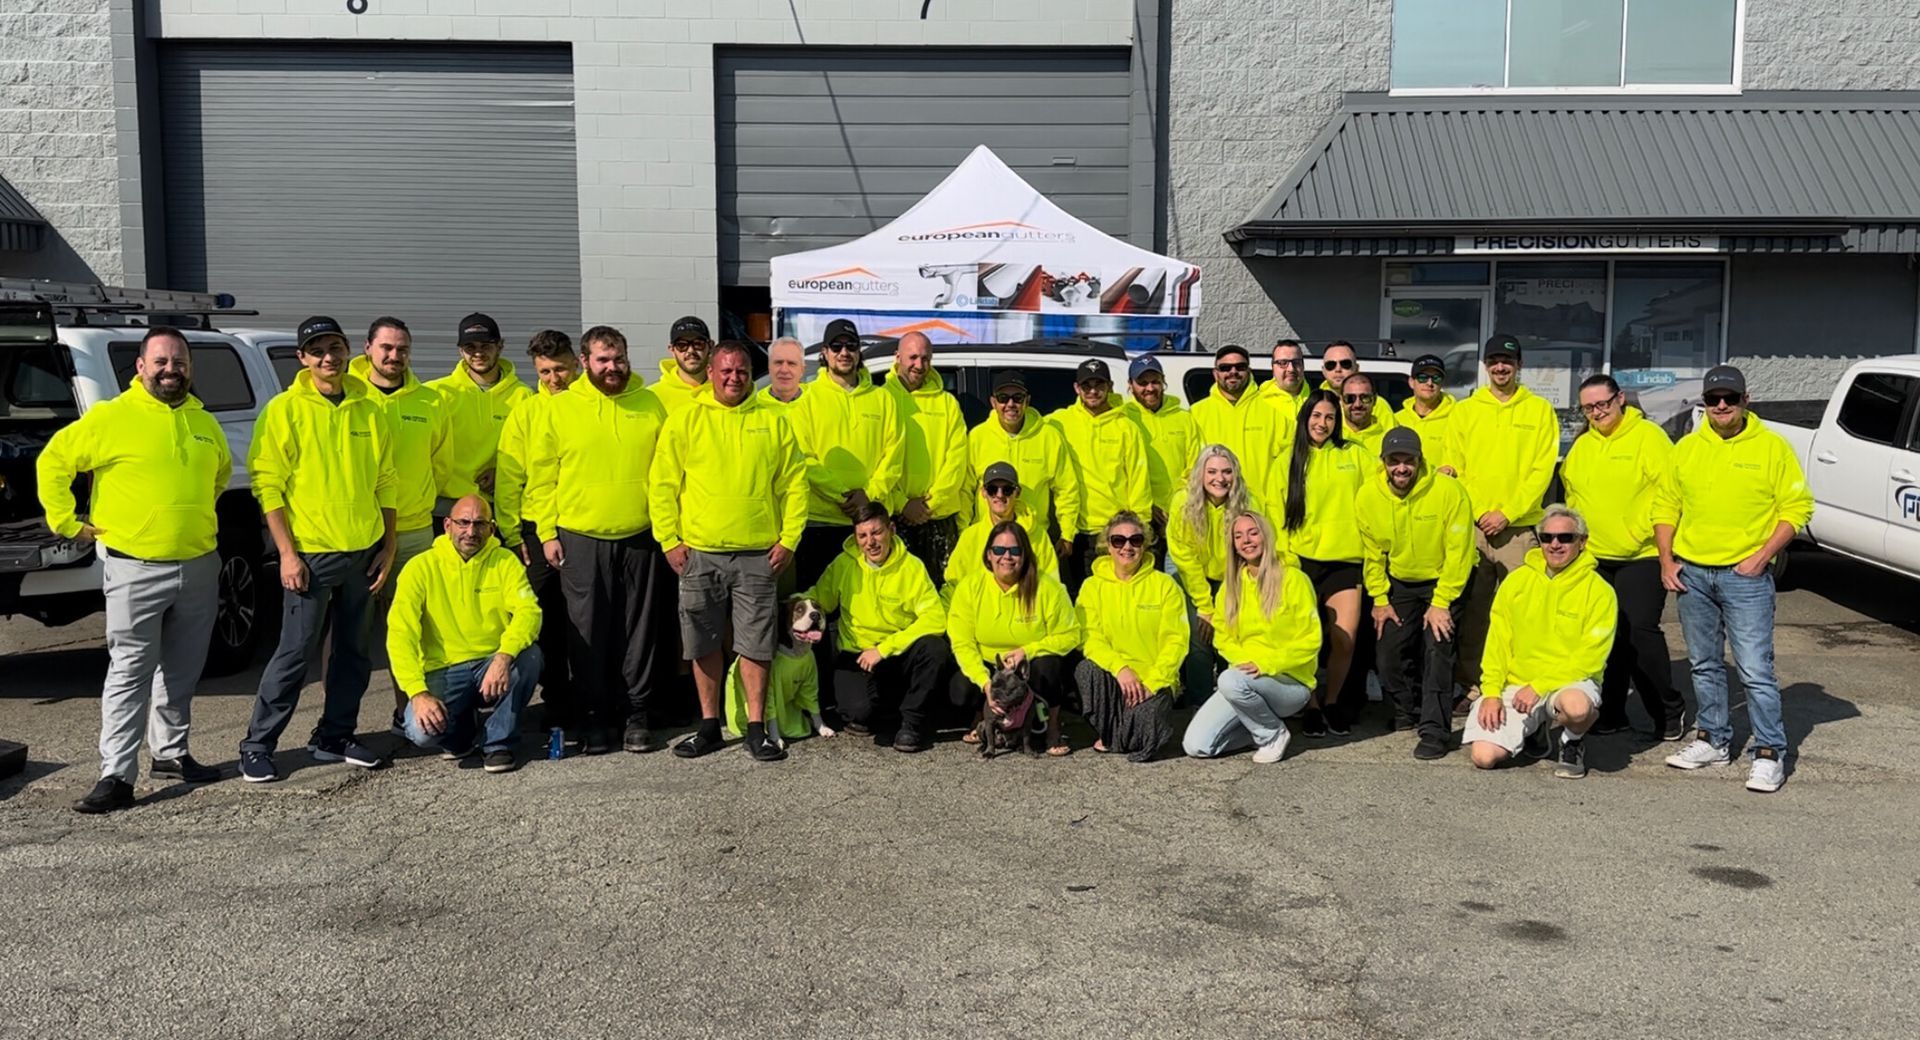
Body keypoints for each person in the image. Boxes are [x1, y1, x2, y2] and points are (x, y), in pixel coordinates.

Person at [38, 327, 232, 812]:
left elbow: (219, 476)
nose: (171, 370)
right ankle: (116, 775)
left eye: (179, 362)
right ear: (141, 366)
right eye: (161, 361)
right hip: (135, 569)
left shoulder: (203, 420)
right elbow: (54, 460)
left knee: (182, 670)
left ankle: (171, 753)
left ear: (189, 367)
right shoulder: (112, 418)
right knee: (129, 672)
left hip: (198, 564)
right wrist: (66, 521)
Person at [239, 316, 398, 783]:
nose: (329, 357)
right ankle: (257, 745)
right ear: (303, 358)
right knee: (294, 654)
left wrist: (388, 544)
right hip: (311, 555)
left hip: (363, 551)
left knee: (354, 654)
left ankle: (334, 736)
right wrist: (287, 554)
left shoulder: (369, 409)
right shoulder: (285, 410)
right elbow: (267, 485)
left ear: (350, 351)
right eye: (317, 350)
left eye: (336, 347)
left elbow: (386, 481)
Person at [1654, 365, 1813, 793]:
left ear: (1746, 400)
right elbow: (1666, 506)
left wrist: (1761, 557)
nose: (1721, 406)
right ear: (1704, 405)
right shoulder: (1687, 449)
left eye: (1729, 398)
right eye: (1713, 399)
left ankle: (1769, 752)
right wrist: (1666, 561)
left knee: (1755, 670)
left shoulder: (1772, 447)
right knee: (1704, 665)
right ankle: (1713, 739)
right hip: (1693, 573)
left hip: (1745, 577)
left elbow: (1797, 508)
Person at [650, 339, 809, 762]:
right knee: (702, 642)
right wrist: (669, 540)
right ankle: (709, 726)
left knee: (756, 644)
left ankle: (756, 728)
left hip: (758, 555)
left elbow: (795, 485)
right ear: (711, 372)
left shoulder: (774, 421)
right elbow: (662, 485)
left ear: (750, 374)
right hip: (699, 552)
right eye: (726, 371)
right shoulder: (686, 420)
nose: (734, 378)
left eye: (741, 371)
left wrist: (789, 539)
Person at [528, 325, 668, 756]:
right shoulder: (559, 409)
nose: (612, 367)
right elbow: (542, 477)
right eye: (603, 360)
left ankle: (637, 714)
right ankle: (595, 717)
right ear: (584, 362)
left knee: (638, 631)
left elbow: (668, 472)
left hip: (641, 535)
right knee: (587, 633)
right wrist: (546, 533)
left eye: (618, 358)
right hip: (579, 536)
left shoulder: (650, 404)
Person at [1561, 374, 1686, 741]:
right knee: (1605, 636)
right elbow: (1572, 498)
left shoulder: (1649, 437)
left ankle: (1668, 710)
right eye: (1588, 407)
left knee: (1638, 633)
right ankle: (1612, 712)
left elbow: (1671, 495)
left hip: (1640, 554)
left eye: (1602, 403)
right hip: (1595, 556)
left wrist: (1666, 553)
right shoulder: (1583, 446)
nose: (1597, 412)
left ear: (1620, 399)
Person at [347, 317, 453, 733]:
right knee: (348, 633)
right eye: (386, 348)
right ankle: (339, 725)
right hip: (356, 532)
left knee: (412, 629)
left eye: (402, 349)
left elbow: (441, 464)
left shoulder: (430, 402)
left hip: (412, 532)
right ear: (367, 348)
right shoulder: (349, 397)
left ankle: (408, 715)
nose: (394, 356)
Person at [388, 495, 543, 774]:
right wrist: (418, 692)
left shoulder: (505, 562)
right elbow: (400, 634)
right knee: (420, 732)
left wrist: (503, 656)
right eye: (463, 522)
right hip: (444, 669)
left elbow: (529, 612)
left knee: (531, 657)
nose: (471, 531)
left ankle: (499, 742)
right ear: (447, 525)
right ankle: (461, 735)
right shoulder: (419, 568)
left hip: (491, 664)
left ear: (491, 529)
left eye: (479, 524)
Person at [1442, 333, 1559, 699]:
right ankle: (1471, 683)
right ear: (1486, 365)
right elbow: (1455, 467)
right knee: (1474, 612)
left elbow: (1541, 472)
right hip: (1475, 529)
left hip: (1518, 530)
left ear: (1519, 365)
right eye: (1493, 361)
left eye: (1507, 361)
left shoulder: (1539, 410)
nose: (1500, 367)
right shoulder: (1465, 410)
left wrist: (1507, 513)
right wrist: (1481, 513)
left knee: (1521, 610)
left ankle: (1518, 681)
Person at [1463, 505, 1614, 779]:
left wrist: (1539, 686)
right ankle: (1536, 730)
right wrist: (1492, 692)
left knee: (1577, 709)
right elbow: (1497, 642)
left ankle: (1572, 741)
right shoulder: (1516, 581)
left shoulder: (1600, 591)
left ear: (1582, 542)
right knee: (1484, 757)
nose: (1555, 544)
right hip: (1517, 683)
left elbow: (1590, 658)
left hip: (1569, 681)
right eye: (1547, 537)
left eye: (1565, 538)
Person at [1355, 427, 1474, 760]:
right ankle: (1409, 709)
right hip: (1401, 581)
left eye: (1408, 460)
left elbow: (1460, 553)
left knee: (1437, 649)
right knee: (1387, 652)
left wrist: (1441, 601)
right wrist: (1379, 599)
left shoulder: (1449, 491)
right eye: (1394, 460)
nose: (1401, 468)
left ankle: (1435, 731)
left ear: (1420, 460)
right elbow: (1372, 554)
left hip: (1445, 579)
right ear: (1383, 462)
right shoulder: (1367, 496)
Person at [805, 504, 953, 752]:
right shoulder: (844, 564)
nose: (870, 542)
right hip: (858, 655)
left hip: (896, 652)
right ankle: (892, 707)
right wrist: (792, 605)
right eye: (862, 536)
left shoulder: (912, 567)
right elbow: (820, 599)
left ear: (891, 530)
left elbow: (936, 618)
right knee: (858, 713)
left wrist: (884, 649)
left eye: (876, 533)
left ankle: (911, 724)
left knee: (934, 648)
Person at [492, 330, 578, 740]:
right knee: (546, 619)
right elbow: (509, 476)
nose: (554, 378)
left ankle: (594, 696)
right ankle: (557, 701)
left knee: (588, 618)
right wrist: (512, 535)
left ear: (576, 363)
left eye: (560, 369)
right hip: (534, 527)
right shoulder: (525, 412)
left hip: (582, 524)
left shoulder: (590, 404)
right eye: (545, 372)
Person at [1273, 388, 1374, 737]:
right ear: (1305, 418)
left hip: (1345, 560)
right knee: (1308, 639)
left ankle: (1332, 702)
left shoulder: (1355, 455)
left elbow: (1379, 492)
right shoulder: (1287, 459)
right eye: (1316, 415)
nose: (1322, 423)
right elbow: (1274, 512)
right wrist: (1285, 560)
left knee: (1344, 638)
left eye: (1330, 417)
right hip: (1301, 561)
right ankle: (1310, 705)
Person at [1182, 511, 1321, 762]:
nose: (1246, 540)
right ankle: (1257, 730)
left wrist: (1265, 664)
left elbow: (1311, 639)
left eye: (1253, 533)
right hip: (1244, 679)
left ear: (1266, 536)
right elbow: (1222, 636)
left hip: (1290, 682)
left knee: (1229, 680)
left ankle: (1272, 734)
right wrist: (1245, 662)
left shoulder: (1294, 580)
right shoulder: (1231, 586)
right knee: (1196, 745)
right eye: (1238, 536)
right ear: (1233, 545)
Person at [788, 318, 906, 591]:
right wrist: (842, 495)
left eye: (851, 346)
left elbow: (894, 455)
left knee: (869, 604)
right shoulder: (805, 400)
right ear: (825, 353)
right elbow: (802, 458)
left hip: (871, 524)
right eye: (836, 346)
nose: (844, 352)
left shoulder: (883, 399)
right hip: (821, 522)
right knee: (815, 605)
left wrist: (869, 496)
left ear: (858, 352)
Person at [947, 521, 1081, 756]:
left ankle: (1051, 726)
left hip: (1028, 667)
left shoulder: (1048, 588)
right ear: (988, 555)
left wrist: (1028, 651)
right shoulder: (969, 587)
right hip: (990, 665)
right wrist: (985, 682)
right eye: (999, 550)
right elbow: (962, 642)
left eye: (1015, 550)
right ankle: (984, 715)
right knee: (960, 690)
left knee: (1049, 665)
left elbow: (1071, 635)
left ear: (1025, 554)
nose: (1006, 557)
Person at [1073, 511, 1185, 762]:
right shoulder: (1091, 587)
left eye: (1135, 540)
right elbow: (1089, 637)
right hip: (1115, 678)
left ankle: (1116, 735)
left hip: (1152, 681)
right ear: (1107, 546)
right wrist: (1121, 669)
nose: (1127, 547)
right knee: (1086, 670)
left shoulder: (1165, 585)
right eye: (1118, 540)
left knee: (1148, 736)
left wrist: (1153, 683)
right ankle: (1119, 732)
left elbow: (1176, 641)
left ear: (1145, 545)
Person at [1049, 358, 1151, 593]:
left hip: (1114, 534)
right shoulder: (1058, 423)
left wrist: (1139, 530)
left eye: (1099, 385)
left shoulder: (1126, 428)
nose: (1093, 391)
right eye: (1087, 385)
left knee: (1116, 595)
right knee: (1080, 598)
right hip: (1075, 532)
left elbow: (1138, 480)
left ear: (1110, 386)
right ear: (1077, 388)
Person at [967, 369, 1080, 560]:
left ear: (1027, 401)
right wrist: (964, 531)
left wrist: (1067, 533)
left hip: (1034, 541)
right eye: (1003, 398)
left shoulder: (1048, 437)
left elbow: (1067, 489)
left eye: (1017, 398)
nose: (1010, 404)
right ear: (993, 402)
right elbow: (965, 490)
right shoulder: (978, 437)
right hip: (989, 540)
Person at [882, 331, 968, 580]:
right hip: (894, 516)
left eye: (925, 358)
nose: (919, 365)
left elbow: (957, 460)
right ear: (897, 357)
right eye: (912, 357)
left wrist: (930, 505)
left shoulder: (947, 404)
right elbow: (874, 460)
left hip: (938, 518)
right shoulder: (881, 399)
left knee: (942, 591)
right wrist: (902, 503)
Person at [430, 312, 532, 504]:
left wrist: (502, 472)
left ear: (500, 346)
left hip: (498, 502)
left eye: (486, 346)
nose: (478, 353)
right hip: (444, 503)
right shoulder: (436, 393)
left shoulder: (523, 396)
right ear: (460, 351)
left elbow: (533, 451)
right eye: (470, 347)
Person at [945, 462, 1060, 598]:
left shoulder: (1038, 536)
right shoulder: (970, 537)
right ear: (983, 492)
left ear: (1017, 493)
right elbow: (952, 587)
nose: (999, 495)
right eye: (992, 489)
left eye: (1007, 490)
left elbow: (1053, 588)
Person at [1120, 355, 1199, 551]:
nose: (1150, 388)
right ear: (1130, 385)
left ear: (1163, 381)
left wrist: (1179, 505)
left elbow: (1195, 465)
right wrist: (1149, 506)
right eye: (1142, 383)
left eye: (1155, 381)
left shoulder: (1184, 418)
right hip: (1139, 516)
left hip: (1180, 515)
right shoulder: (1123, 418)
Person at [1190, 344, 1285, 496]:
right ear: (1215, 373)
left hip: (1259, 507)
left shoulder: (1274, 409)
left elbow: (1287, 464)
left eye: (1240, 367)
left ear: (1249, 371)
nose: (1233, 372)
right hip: (1213, 506)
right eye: (1225, 368)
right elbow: (1189, 466)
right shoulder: (1195, 413)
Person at [1319, 340, 1394, 430]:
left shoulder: (1379, 405)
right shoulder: (1312, 403)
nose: (1338, 369)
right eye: (1331, 365)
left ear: (1357, 368)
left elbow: (1392, 437)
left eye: (1345, 364)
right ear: (1323, 371)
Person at [1396, 353, 1456, 465]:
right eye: (1422, 378)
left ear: (1442, 383)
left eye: (1436, 378)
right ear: (1411, 382)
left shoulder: (1456, 418)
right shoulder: (1396, 420)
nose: (1429, 383)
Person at [653, 315, 713, 417]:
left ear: (710, 346)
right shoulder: (654, 396)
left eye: (698, 344)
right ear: (672, 350)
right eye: (682, 345)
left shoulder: (726, 391)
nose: (691, 350)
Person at [1339, 371, 1395, 458]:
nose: (1357, 404)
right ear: (1341, 400)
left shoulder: (1389, 440)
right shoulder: (1331, 435)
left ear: (1375, 400)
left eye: (1365, 398)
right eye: (1350, 398)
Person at [1263, 338, 1311, 433]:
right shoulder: (1258, 404)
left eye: (1296, 362)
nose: (1291, 369)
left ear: (1303, 366)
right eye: (1283, 363)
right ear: (1273, 367)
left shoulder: (1317, 402)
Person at [756, 336, 806, 411]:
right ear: (769, 367)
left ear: (802, 369)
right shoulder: (752, 407)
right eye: (778, 363)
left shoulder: (817, 404)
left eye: (791, 363)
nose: (784, 370)